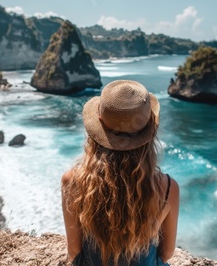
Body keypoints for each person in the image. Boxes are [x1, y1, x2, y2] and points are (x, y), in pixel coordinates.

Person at [62, 80, 180, 266]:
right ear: (149, 129)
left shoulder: (73, 181)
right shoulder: (167, 187)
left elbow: (74, 250)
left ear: (99, 123)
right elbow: (167, 252)